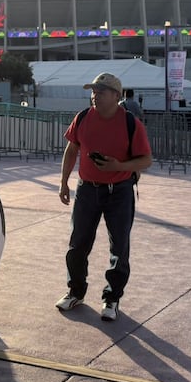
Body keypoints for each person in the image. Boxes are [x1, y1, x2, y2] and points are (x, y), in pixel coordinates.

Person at [56, 72, 153, 321]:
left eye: (100, 92)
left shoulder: (130, 123)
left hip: (119, 192)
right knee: (77, 244)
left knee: (119, 247)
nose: (94, 96)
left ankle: (112, 298)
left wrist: (118, 166)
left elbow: (146, 160)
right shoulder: (83, 117)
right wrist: (64, 182)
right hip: (87, 190)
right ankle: (75, 291)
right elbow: (72, 149)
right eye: (93, 91)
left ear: (116, 96)